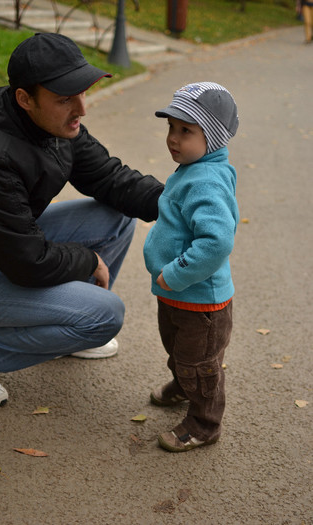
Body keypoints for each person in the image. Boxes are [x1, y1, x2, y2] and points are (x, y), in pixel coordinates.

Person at [0, 32, 164, 408]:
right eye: (64, 99)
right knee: (105, 316)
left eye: (82, 92)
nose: (81, 108)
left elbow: (109, 178)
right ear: (24, 99)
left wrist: (182, 205)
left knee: (116, 215)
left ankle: (70, 329)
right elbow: (28, 262)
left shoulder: (53, 125)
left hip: (1, 250)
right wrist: (87, 260)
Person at [143, 82, 239, 452]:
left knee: (200, 364)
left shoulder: (206, 180)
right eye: (171, 127)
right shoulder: (192, 168)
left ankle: (203, 423)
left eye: (186, 130)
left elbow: (216, 242)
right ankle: (184, 385)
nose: (173, 138)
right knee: (179, 351)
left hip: (199, 301)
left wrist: (176, 273)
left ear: (211, 137)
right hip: (176, 293)